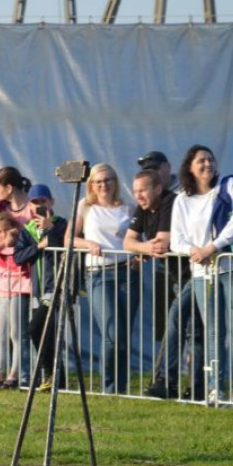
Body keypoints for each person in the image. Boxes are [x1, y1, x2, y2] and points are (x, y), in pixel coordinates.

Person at [169, 145, 233, 405]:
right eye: (201, 161)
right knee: (213, 331)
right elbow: (176, 240)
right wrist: (194, 251)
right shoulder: (181, 199)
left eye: (211, 159)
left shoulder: (227, 186)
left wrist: (212, 248)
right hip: (202, 272)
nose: (207, 165)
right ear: (190, 167)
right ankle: (217, 388)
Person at [124, 170, 201, 400]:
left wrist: (145, 247)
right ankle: (195, 386)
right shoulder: (143, 208)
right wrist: (146, 248)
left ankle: (166, 380)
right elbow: (128, 242)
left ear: (158, 188)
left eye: (143, 190)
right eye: (135, 191)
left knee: (178, 322)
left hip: (195, 272)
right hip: (177, 277)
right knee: (192, 330)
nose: (138, 195)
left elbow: (163, 243)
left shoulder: (170, 202)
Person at [70, 163, 138, 395]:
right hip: (98, 273)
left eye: (108, 180)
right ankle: (109, 387)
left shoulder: (128, 209)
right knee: (112, 333)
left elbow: (139, 240)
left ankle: (122, 386)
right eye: (98, 181)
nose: (103, 185)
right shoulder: (86, 207)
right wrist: (88, 243)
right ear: (91, 184)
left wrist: (139, 256)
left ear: (115, 182)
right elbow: (69, 237)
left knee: (123, 334)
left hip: (126, 273)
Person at [14, 184, 68, 390]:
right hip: (37, 288)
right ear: (29, 205)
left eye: (42, 201)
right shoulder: (27, 230)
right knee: (47, 333)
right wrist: (38, 246)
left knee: (36, 328)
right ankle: (55, 378)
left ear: (51, 202)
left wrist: (50, 231)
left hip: (57, 285)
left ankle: (50, 372)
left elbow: (63, 247)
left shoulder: (61, 224)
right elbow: (18, 257)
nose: (39, 206)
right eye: (35, 202)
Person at [0, 212, 32, 388]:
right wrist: (3, 242)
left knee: (16, 333)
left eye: (6, 230)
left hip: (20, 290)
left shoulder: (19, 245)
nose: (2, 234)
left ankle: (15, 372)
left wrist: (11, 240)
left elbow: (20, 256)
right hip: (3, 292)